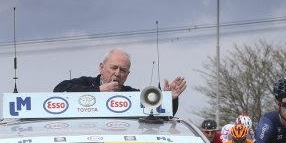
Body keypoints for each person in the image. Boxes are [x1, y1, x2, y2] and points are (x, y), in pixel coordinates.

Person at [53, 49, 187, 114]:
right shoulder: (87, 83)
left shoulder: (132, 94)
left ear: (127, 74)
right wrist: (98, 91)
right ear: (101, 68)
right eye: (113, 68)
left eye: (123, 70)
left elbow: (161, 115)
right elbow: (59, 89)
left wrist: (170, 99)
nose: (117, 73)